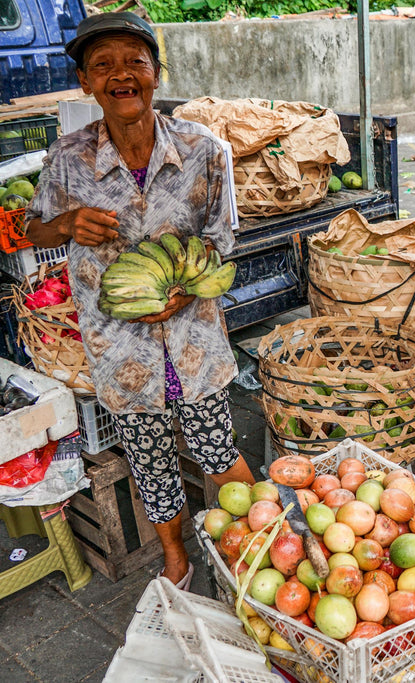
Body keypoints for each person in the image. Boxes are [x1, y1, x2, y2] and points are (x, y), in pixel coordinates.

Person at [25, 13, 255, 590]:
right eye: (103, 65)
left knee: (216, 445)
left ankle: (257, 542)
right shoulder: (68, 158)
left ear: (157, 73)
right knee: (150, 461)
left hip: (193, 338)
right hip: (119, 346)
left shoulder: (205, 150)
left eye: (135, 61)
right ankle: (175, 555)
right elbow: (34, 231)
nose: (121, 75)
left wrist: (181, 290)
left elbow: (223, 239)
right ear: (84, 81)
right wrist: (67, 223)